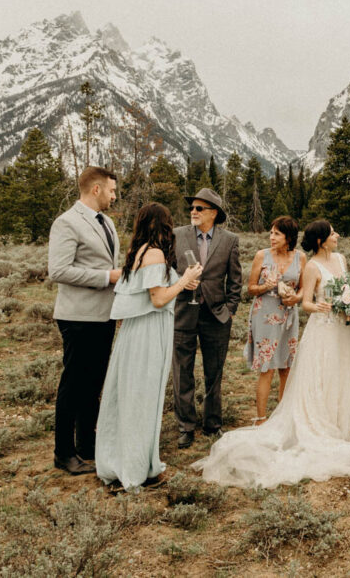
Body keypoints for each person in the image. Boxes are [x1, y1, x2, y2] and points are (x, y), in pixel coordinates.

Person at [193, 220, 350, 488]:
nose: (337, 235)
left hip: (337, 328)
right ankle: (274, 417)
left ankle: (342, 422)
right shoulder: (309, 264)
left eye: (276, 233)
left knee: (334, 373)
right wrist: (319, 304)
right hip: (310, 323)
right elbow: (308, 301)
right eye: (332, 232)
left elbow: (323, 291)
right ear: (321, 240)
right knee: (297, 371)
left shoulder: (339, 259)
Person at [95, 203, 202, 491]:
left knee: (133, 396)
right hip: (147, 332)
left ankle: (135, 461)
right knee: (142, 398)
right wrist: (186, 281)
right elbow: (157, 299)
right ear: (162, 225)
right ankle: (134, 468)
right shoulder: (154, 253)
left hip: (137, 331)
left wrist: (180, 282)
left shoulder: (139, 251)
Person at [47, 167, 121, 475]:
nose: (114, 196)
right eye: (112, 190)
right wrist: (106, 277)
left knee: (94, 384)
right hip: (77, 317)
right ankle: (63, 453)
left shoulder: (108, 223)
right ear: (96, 189)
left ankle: (86, 445)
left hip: (103, 316)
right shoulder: (66, 223)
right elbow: (59, 270)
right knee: (74, 384)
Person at [172, 188, 243, 449]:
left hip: (216, 315)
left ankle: (213, 423)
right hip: (182, 311)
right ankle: (186, 426)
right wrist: (180, 283)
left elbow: (235, 279)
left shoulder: (230, 240)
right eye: (192, 208)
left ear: (213, 213)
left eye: (199, 208)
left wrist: (231, 309)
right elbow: (167, 269)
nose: (193, 212)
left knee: (214, 371)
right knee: (182, 371)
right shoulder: (177, 235)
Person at [245, 216, 303, 424]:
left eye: (277, 233)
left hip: (289, 315)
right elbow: (251, 288)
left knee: (286, 367)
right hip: (265, 315)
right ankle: (260, 419)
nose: (271, 237)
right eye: (271, 233)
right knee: (266, 367)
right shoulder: (261, 256)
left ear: (289, 237)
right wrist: (265, 287)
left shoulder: (300, 258)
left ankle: (282, 416)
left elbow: (304, 287)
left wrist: (296, 297)